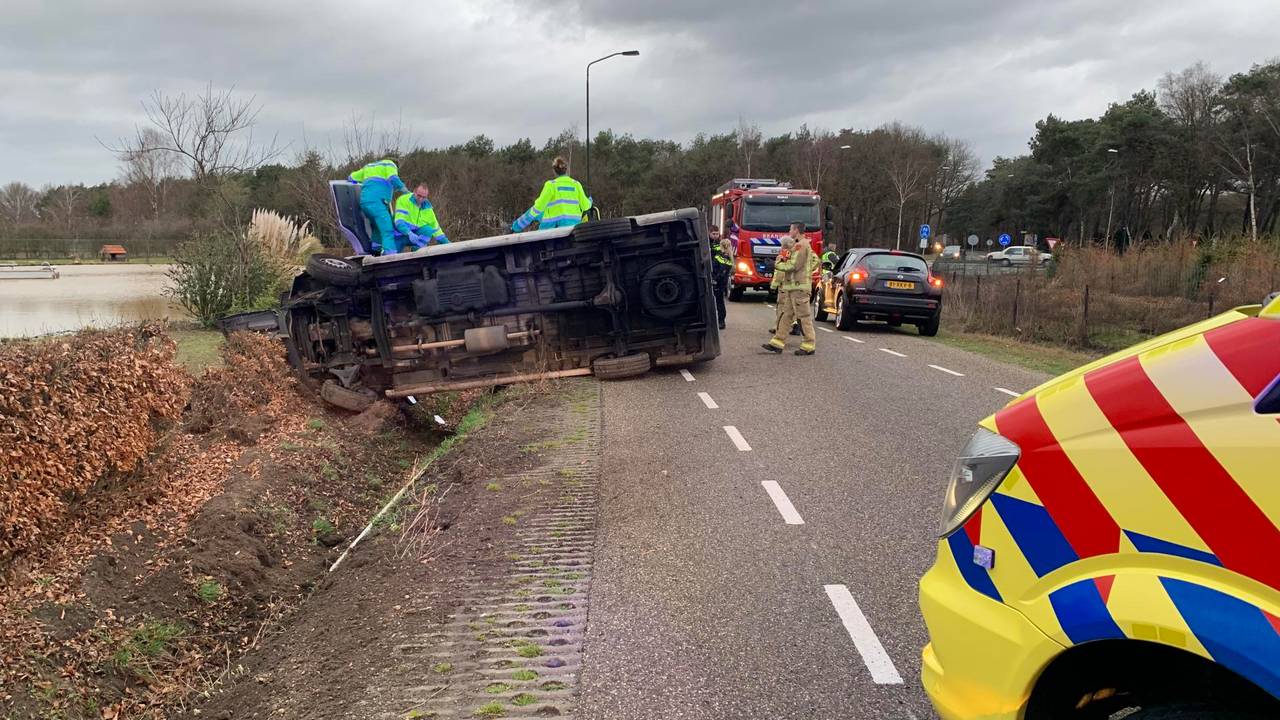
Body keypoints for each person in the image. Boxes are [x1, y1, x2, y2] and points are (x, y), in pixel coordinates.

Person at [763, 222, 818, 356]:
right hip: (792, 287)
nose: (789, 231)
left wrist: (776, 266)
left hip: (799, 288)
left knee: (803, 317)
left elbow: (793, 266)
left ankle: (809, 345)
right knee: (785, 315)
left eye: (790, 229)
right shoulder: (797, 245)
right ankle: (777, 342)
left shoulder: (801, 245)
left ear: (796, 230)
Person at [511, 156, 592, 232]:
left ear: (554, 171)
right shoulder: (576, 184)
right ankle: (514, 227)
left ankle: (514, 227)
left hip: (552, 231)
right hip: (574, 229)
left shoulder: (551, 185)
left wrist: (515, 227)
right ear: (566, 169)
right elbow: (585, 206)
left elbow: (537, 208)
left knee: (536, 212)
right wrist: (590, 201)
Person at [348, 158, 407, 255]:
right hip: (377, 202)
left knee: (376, 227)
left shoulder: (368, 167)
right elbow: (393, 178)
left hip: (364, 203)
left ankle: (376, 250)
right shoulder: (390, 164)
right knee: (387, 228)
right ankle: (390, 254)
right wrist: (403, 188)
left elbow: (351, 177)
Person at [393, 183, 449, 251]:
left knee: (428, 230)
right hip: (399, 235)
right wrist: (409, 233)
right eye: (419, 196)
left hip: (415, 237)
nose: (421, 199)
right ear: (414, 192)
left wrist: (448, 244)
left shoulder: (428, 209)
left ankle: (417, 251)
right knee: (390, 256)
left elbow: (436, 229)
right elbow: (399, 222)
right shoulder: (404, 200)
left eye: (424, 197)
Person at [709, 225, 732, 330]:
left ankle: (721, 321)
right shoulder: (706, 243)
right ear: (709, 233)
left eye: (716, 234)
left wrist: (716, 278)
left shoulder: (720, 245)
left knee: (719, 300)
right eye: (713, 234)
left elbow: (724, 266)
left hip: (718, 277)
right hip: (710, 272)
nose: (715, 236)